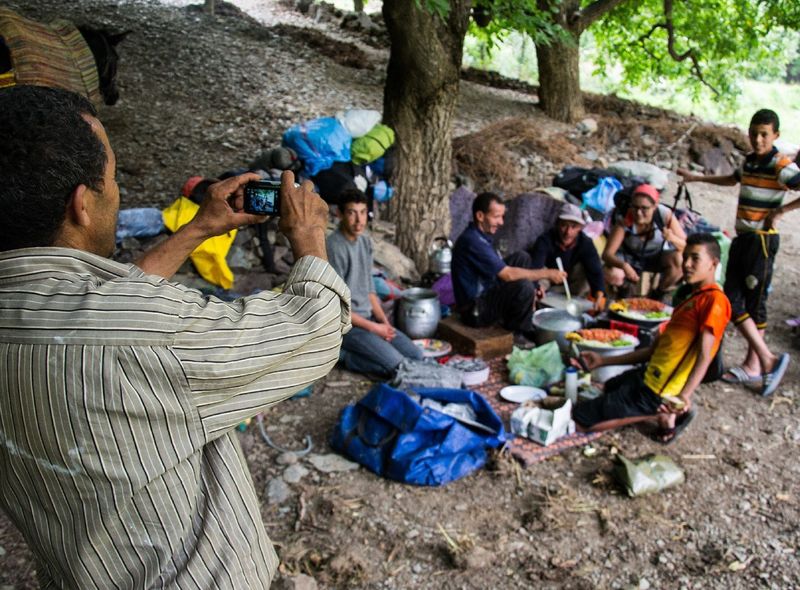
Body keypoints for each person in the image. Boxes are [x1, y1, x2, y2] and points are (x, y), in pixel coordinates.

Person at [0, 85, 350, 588]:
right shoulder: (149, 331)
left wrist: (197, 229)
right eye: (112, 180)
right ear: (82, 205)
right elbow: (314, 329)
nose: (116, 192)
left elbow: (98, 311)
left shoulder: (54, 312)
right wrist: (311, 237)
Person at [678, 108, 799, 396]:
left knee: (754, 302)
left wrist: (780, 211)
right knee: (732, 296)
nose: (758, 139)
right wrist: (695, 179)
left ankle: (756, 364)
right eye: (754, 133)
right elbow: (733, 179)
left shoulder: (780, 164)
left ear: (776, 136)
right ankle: (762, 360)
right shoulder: (751, 162)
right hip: (743, 238)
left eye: (764, 135)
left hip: (761, 241)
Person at [573, 233, 731, 443]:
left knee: (580, 419)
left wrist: (683, 396)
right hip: (649, 375)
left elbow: (704, 356)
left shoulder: (714, 301)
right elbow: (653, 351)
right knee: (609, 387)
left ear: (713, 263)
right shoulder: (693, 296)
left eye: (695, 258)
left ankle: (661, 413)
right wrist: (602, 360)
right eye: (685, 257)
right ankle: (661, 418)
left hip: (659, 391)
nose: (686, 264)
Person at [327, 189, 423, 376]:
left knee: (416, 355)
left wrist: (384, 323)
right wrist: (375, 328)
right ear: (339, 214)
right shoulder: (333, 247)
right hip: (346, 326)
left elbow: (370, 289)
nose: (359, 220)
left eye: (362, 212)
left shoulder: (365, 242)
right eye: (351, 213)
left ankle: (372, 345)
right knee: (398, 367)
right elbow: (335, 307)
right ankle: (344, 355)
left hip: (368, 319)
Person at [451, 191, 566, 331]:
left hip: (485, 293)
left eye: (502, 217)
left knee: (522, 257)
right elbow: (508, 275)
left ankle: (530, 303)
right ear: (480, 216)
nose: (501, 222)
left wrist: (536, 287)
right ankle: (518, 333)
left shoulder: (479, 236)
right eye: (496, 217)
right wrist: (546, 273)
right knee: (523, 286)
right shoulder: (473, 242)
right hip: (474, 311)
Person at [602, 183, 687, 300]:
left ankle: (658, 295)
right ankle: (623, 294)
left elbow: (687, 246)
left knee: (679, 260)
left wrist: (672, 238)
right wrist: (624, 266)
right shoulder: (625, 218)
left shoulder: (665, 215)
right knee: (614, 273)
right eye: (635, 207)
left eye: (644, 208)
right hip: (628, 257)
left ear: (655, 206)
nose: (638, 213)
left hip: (654, 256)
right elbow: (607, 254)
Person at [528, 201, 606, 311]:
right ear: (557, 224)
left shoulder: (585, 243)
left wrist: (599, 296)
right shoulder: (545, 240)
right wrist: (536, 288)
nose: (568, 232)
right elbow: (535, 268)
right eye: (564, 225)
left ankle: (574, 304)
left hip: (571, 284)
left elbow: (595, 270)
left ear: (580, 228)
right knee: (539, 277)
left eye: (573, 227)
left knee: (586, 272)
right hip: (549, 280)